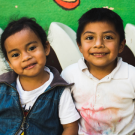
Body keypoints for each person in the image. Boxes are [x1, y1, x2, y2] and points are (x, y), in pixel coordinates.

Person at [0, 17, 80, 135]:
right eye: (16, 54)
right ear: (9, 62)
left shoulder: (59, 91)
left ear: (46, 48)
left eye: (32, 48)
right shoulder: (2, 87)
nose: (26, 57)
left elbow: (70, 127)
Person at [61, 8, 135, 135]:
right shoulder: (69, 75)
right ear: (79, 45)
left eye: (108, 37)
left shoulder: (132, 76)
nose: (99, 44)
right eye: (90, 37)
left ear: (121, 45)